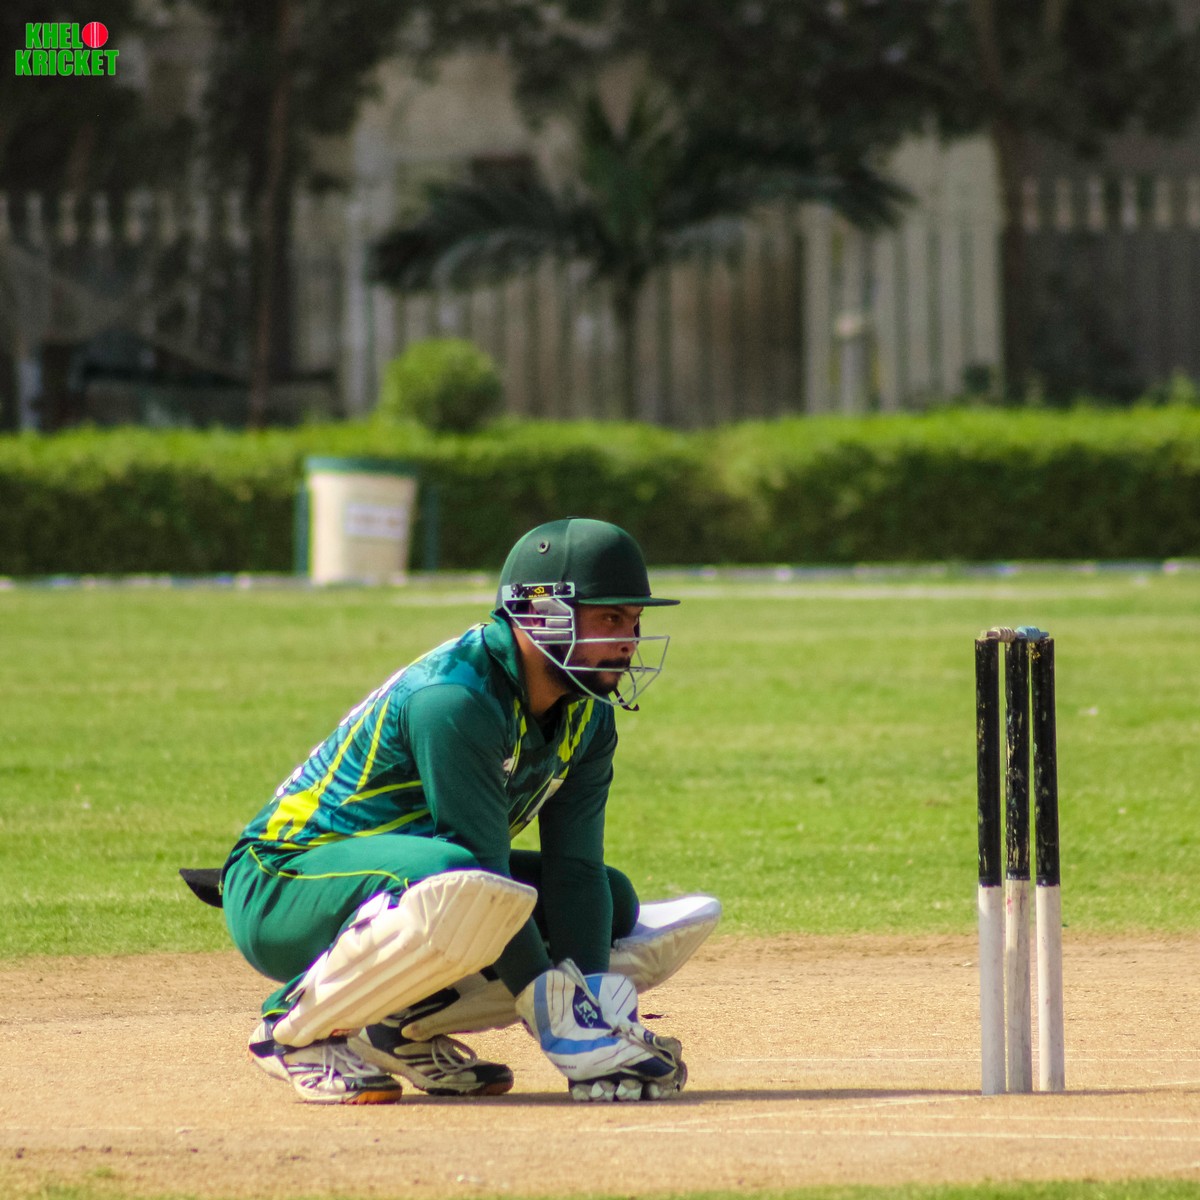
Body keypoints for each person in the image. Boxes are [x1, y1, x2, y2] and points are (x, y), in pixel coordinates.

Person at [210, 517, 720, 1105]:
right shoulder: (455, 698)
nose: (628, 640)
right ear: (541, 613)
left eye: (634, 621)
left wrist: (594, 1001)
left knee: (612, 900)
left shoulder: (588, 714)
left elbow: (575, 871)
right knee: (462, 881)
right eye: (609, 619)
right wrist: (559, 1021)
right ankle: (291, 1030)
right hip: (280, 883)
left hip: (414, 879)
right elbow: (480, 872)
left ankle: (396, 1028)